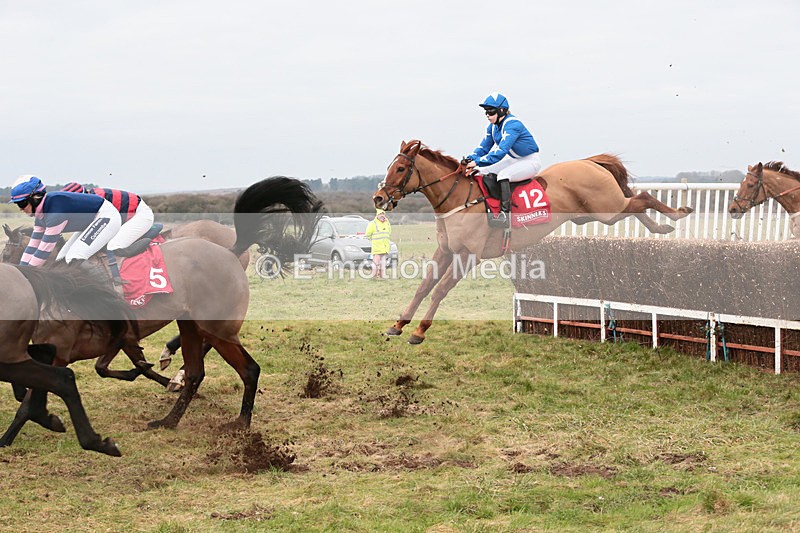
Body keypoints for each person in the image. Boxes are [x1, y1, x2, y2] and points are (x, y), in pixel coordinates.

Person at [462, 92, 541, 228]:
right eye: (486, 112)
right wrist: (470, 159)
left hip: (530, 161)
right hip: (515, 160)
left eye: (491, 111)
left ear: (502, 110)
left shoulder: (513, 124)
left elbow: (500, 152)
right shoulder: (492, 127)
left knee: (503, 175)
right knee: (481, 171)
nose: (487, 115)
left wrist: (477, 161)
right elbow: (483, 148)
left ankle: (505, 215)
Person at [9, 175, 122, 270]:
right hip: (92, 220)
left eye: (22, 203)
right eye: (17, 204)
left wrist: (28, 274)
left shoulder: (55, 213)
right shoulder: (41, 215)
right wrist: (22, 269)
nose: (20, 208)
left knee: (74, 257)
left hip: (106, 216)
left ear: (35, 198)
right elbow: (32, 246)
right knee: (61, 260)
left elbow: (44, 251)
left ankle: (103, 287)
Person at [61, 182, 155, 253]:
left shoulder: (96, 201)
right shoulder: (87, 202)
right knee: (68, 248)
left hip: (140, 214)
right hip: (124, 214)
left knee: (113, 246)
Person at [365, 208, 392, 279]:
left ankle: (382, 276)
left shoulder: (387, 222)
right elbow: (368, 235)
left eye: (383, 214)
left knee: (383, 263)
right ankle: (373, 276)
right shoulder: (373, 223)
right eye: (380, 214)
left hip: (385, 247)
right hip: (377, 247)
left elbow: (389, 232)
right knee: (376, 263)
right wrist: (374, 241)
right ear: (377, 215)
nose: (382, 215)